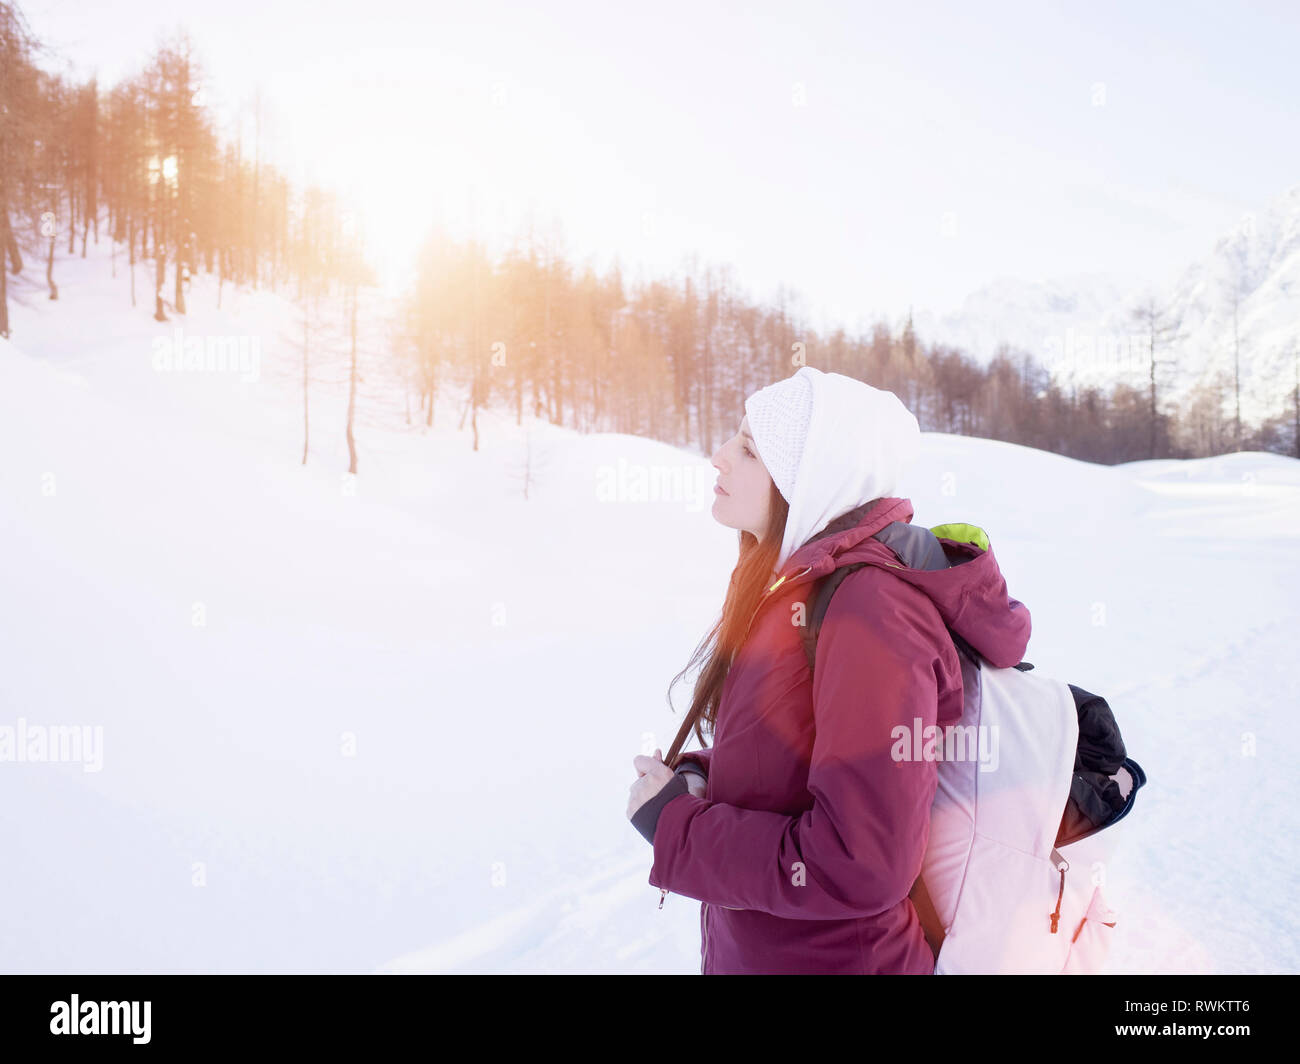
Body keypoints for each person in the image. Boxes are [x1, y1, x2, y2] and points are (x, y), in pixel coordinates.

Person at [625, 365, 1032, 975]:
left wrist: (681, 829)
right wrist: (702, 781)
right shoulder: (800, 593)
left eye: (749, 449)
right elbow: (803, 759)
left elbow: (863, 859)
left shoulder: (869, 612)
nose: (718, 458)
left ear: (811, 479)